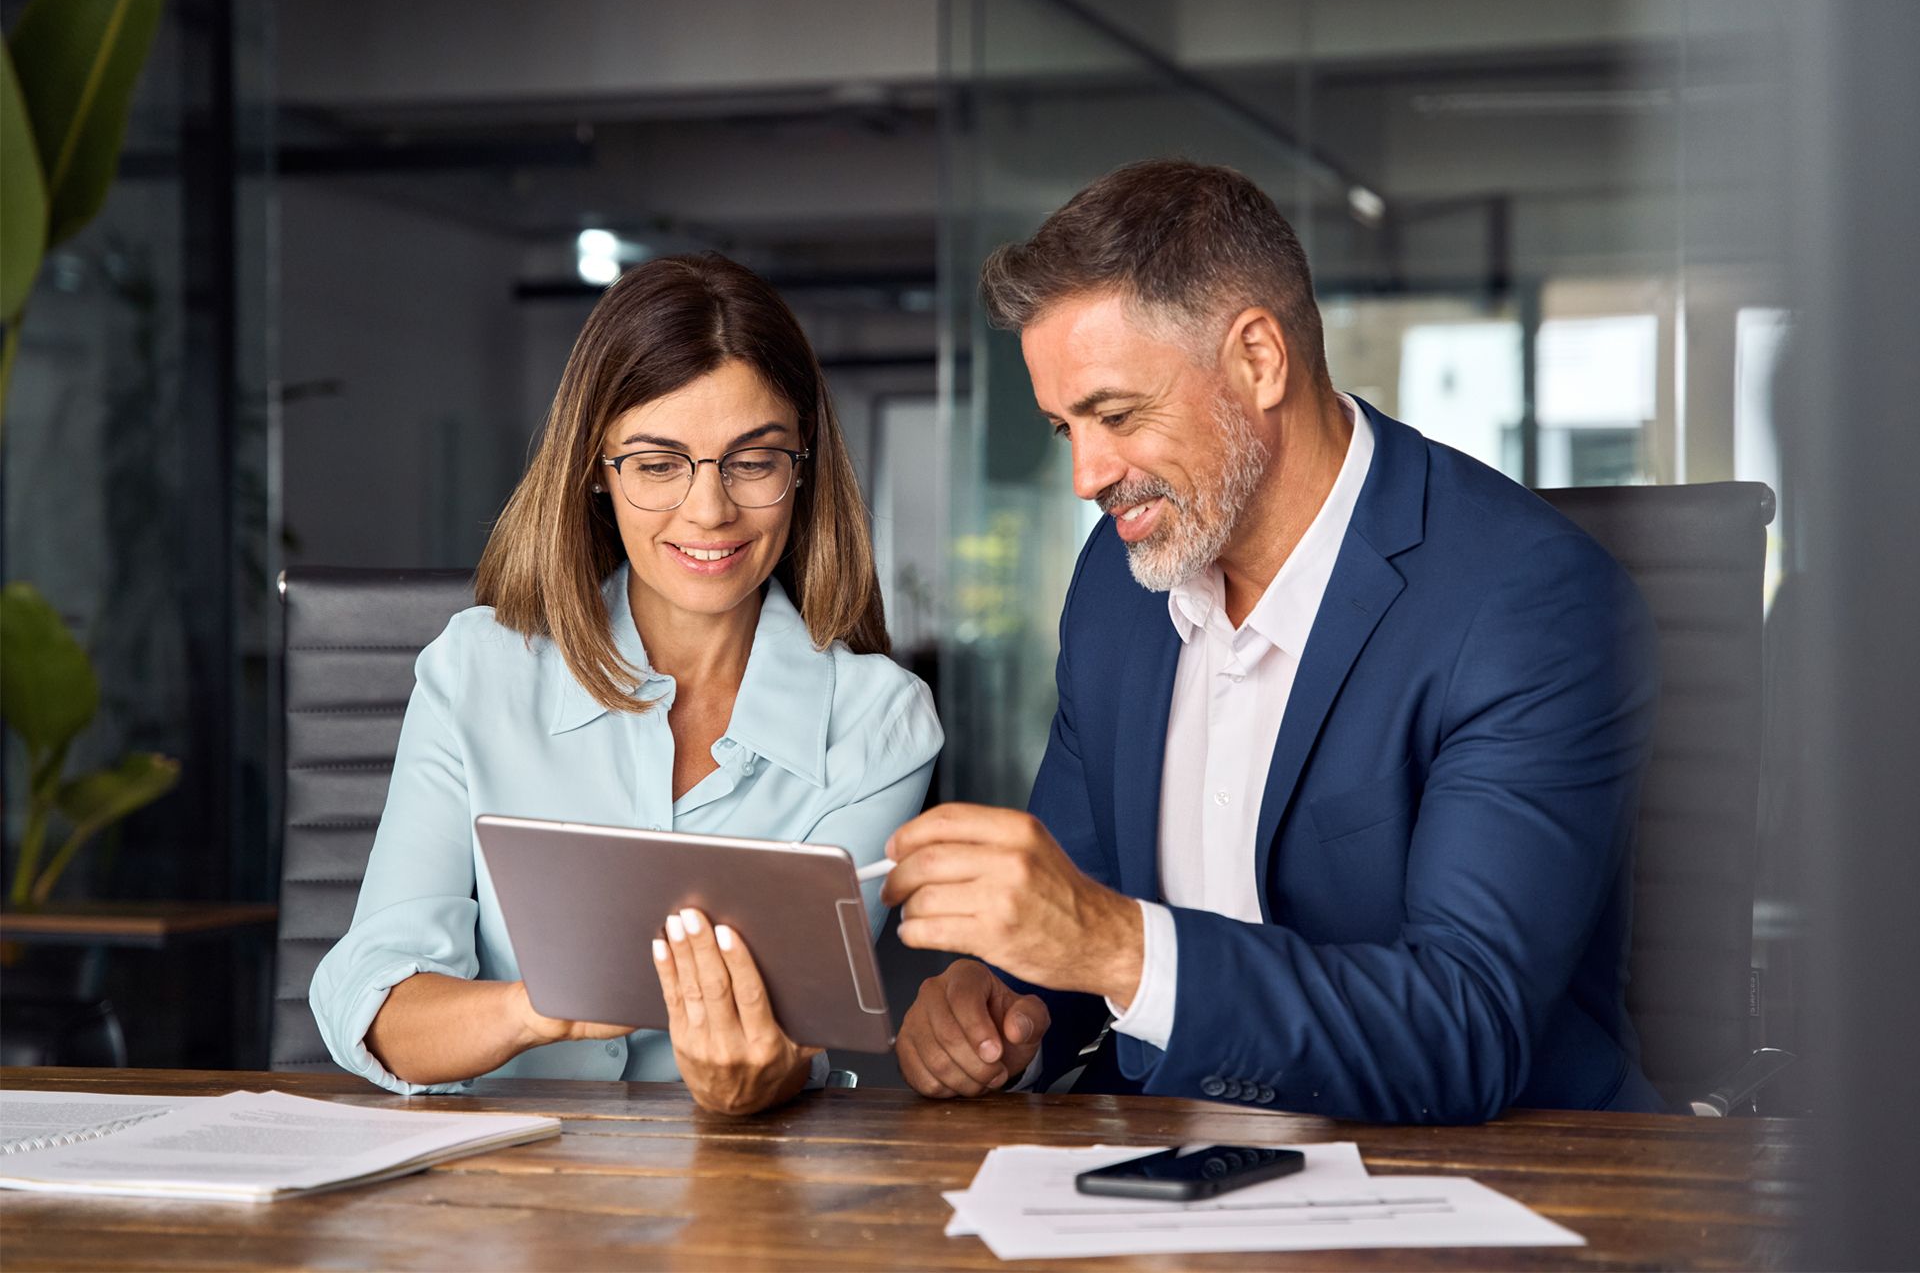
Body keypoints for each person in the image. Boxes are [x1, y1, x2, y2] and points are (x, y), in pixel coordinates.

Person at [882, 159, 1665, 1123]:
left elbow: (1470, 1028)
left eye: (1116, 415)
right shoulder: (1117, 588)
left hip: (1475, 1178)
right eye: (1062, 429)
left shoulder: (1527, 605)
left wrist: (1119, 949)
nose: (1086, 475)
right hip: (1159, 1166)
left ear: (1258, 357)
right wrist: (1001, 1005)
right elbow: (1079, 909)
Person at [311, 253, 941, 1115]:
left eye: (752, 461)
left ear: (803, 468)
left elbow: (800, 1030)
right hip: (501, 1197)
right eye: (657, 464)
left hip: (745, 1191)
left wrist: (760, 1074)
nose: (709, 509)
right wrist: (543, 1007)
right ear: (596, 474)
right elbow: (376, 1002)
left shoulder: (880, 723)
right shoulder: (475, 673)